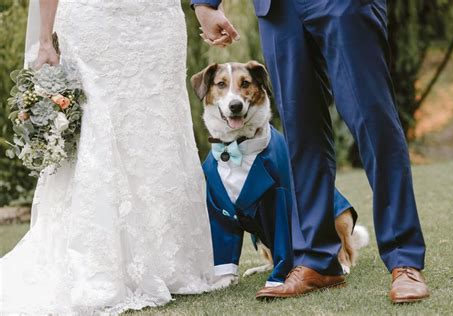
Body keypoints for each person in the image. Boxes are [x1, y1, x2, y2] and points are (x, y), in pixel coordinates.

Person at [193, 0, 429, 303]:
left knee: (374, 122)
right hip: (278, 9)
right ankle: (317, 261)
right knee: (301, 135)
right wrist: (206, 3)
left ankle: (404, 259)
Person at [0, 0, 216, 314]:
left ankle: (170, 262)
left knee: (159, 127)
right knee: (97, 130)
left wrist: (205, 8)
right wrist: (44, 39)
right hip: (94, 20)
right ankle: (100, 267)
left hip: (158, 21)